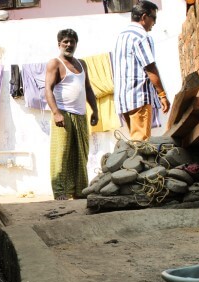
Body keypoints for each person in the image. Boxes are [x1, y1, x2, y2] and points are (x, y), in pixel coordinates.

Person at [44, 29, 100, 200]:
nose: (69, 45)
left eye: (72, 42)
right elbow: (48, 89)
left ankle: (79, 190)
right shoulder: (55, 63)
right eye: (65, 42)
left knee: (81, 153)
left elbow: (88, 88)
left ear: (76, 44)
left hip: (81, 115)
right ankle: (60, 192)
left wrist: (95, 110)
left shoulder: (82, 63)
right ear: (59, 44)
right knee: (61, 154)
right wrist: (56, 113)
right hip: (63, 114)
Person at [112, 1, 169, 141]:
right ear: (144, 17)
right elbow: (150, 67)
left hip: (123, 99)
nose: (154, 23)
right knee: (141, 145)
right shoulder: (141, 36)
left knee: (135, 142)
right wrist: (162, 94)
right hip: (138, 97)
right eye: (153, 18)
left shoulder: (121, 36)